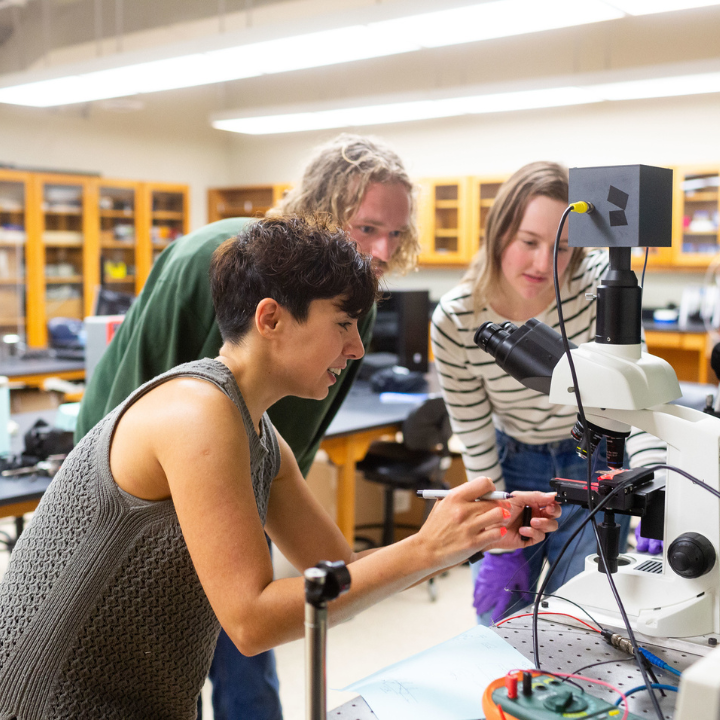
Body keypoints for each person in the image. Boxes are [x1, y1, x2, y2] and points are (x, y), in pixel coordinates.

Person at [0, 216, 562, 719]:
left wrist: (467, 533)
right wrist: (427, 549)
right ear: (271, 318)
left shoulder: (260, 433)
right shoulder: (197, 414)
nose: (357, 349)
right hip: (51, 701)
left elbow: (335, 572)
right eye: (343, 324)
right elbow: (251, 623)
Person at [73, 133, 418, 720]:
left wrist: (449, 540)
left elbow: (299, 454)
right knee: (156, 663)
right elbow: (133, 401)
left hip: (239, 484)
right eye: (366, 229)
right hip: (137, 498)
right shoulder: (206, 259)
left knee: (247, 675)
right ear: (322, 208)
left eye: (395, 234)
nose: (383, 251)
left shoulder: (355, 302)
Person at [431, 161, 647, 626]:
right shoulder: (455, 319)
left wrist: (651, 486)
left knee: (587, 617)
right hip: (512, 465)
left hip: (593, 459)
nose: (540, 262)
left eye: (561, 248)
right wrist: (496, 514)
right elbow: (472, 430)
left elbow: (635, 394)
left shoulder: (596, 285)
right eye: (528, 242)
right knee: (502, 624)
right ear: (498, 233)